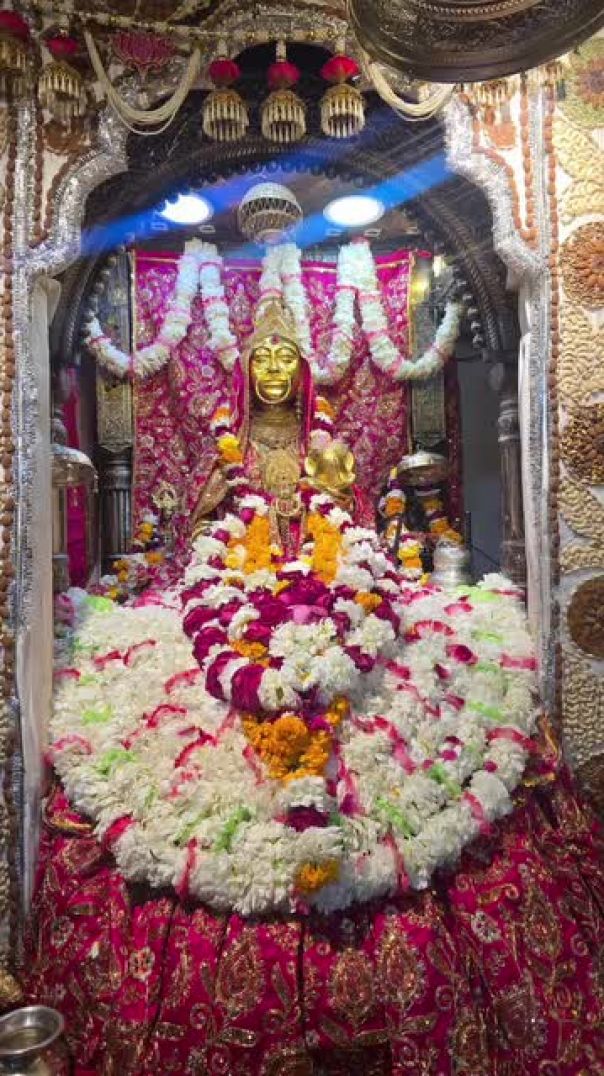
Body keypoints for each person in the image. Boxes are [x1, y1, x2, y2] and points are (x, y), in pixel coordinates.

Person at [27, 300, 603, 1075]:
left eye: (283, 360)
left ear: (301, 375)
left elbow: (360, 531)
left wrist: (332, 504)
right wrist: (219, 506)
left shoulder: (325, 448)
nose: (271, 370)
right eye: (260, 360)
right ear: (245, 375)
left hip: (332, 593)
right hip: (235, 597)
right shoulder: (230, 452)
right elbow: (201, 544)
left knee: (417, 670)